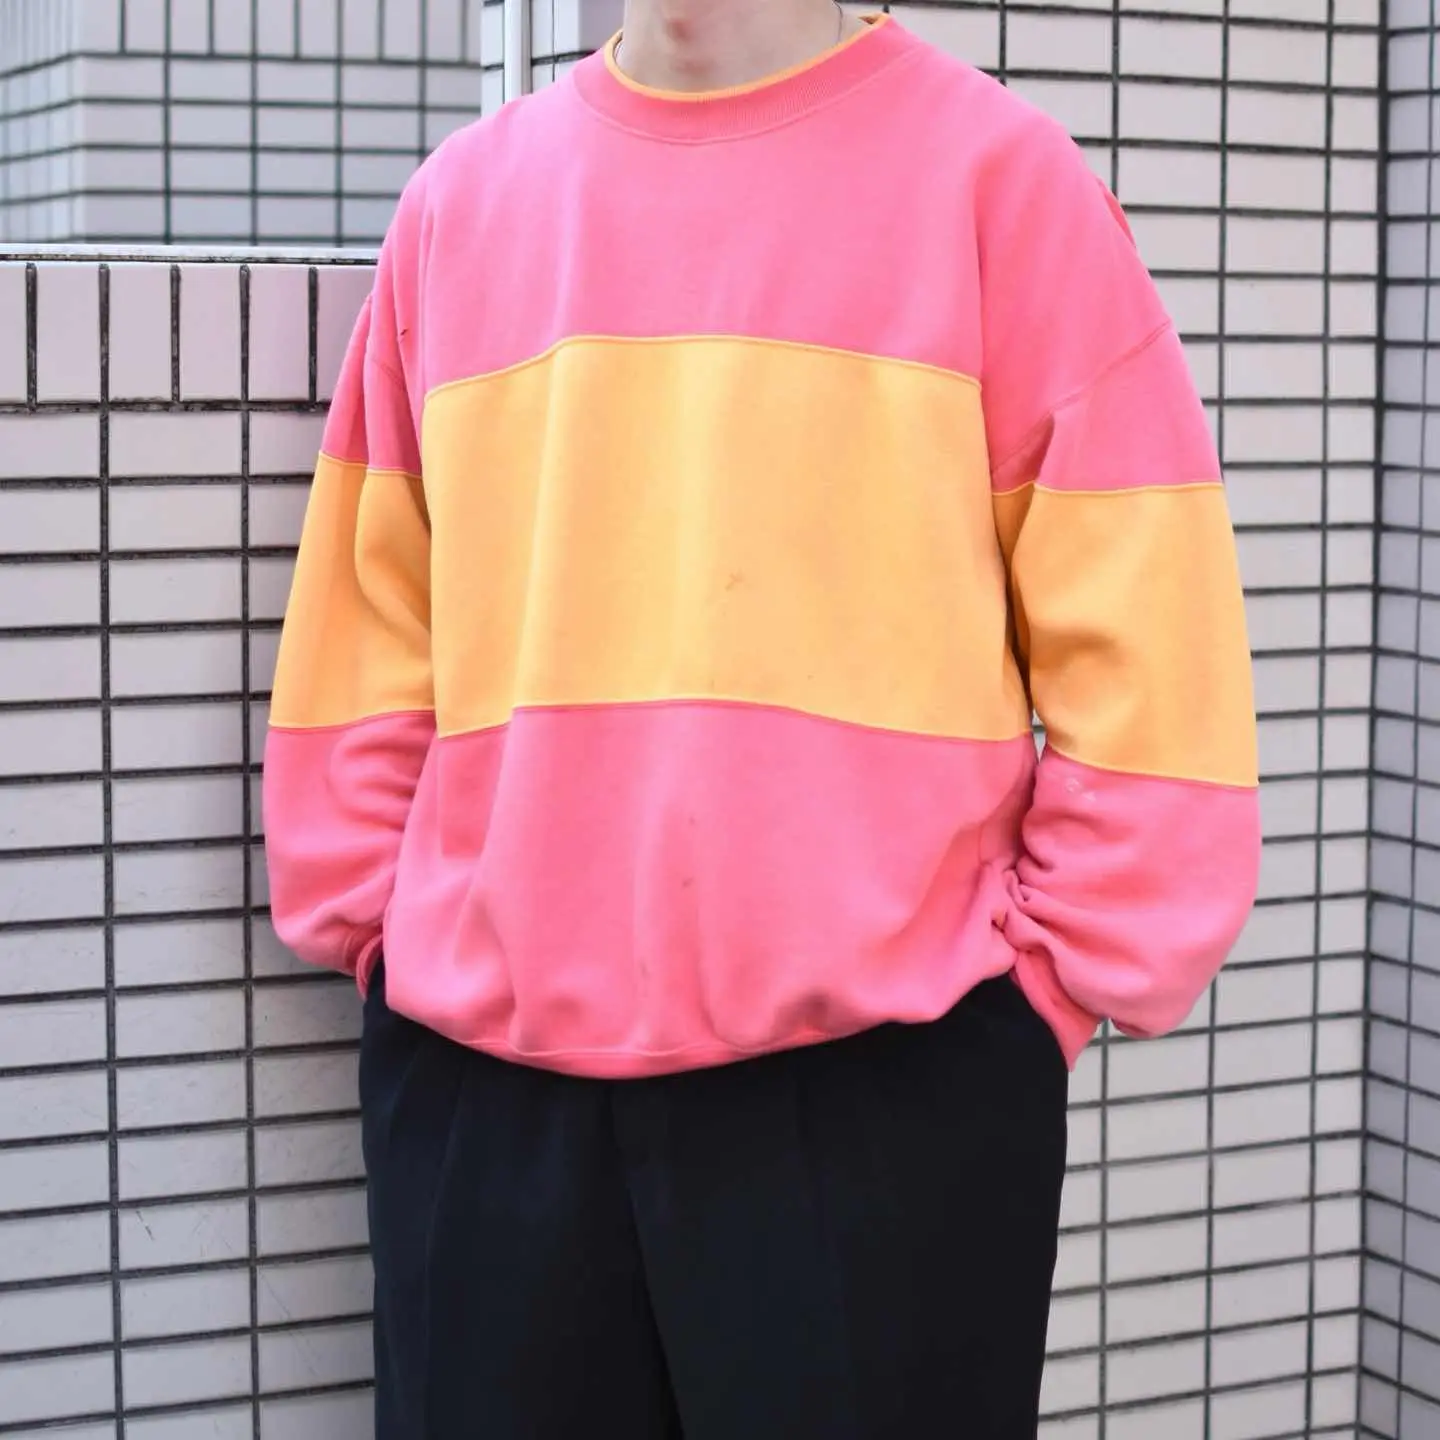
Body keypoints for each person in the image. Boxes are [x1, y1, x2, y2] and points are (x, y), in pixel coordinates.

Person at [262, 2, 1261, 1435]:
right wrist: (379, 936)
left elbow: (1152, 658)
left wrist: (1036, 1004)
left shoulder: (1000, 186)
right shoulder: (461, 208)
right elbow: (371, 637)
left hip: (890, 1104)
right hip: (490, 1107)